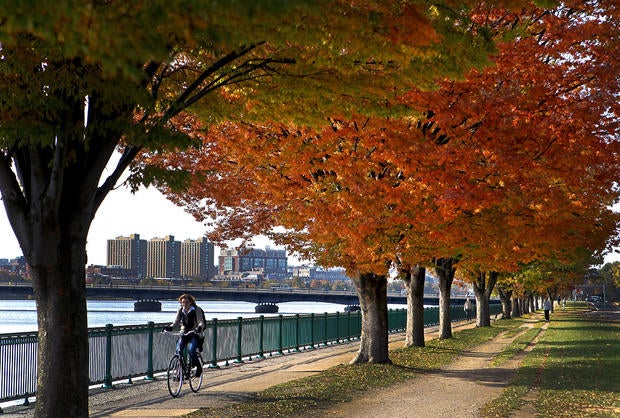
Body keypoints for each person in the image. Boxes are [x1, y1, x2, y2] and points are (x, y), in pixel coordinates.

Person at [163, 293, 206, 377]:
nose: (184, 304)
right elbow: (176, 323)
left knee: (191, 350)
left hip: (195, 333)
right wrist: (169, 328)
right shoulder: (180, 311)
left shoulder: (196, 309)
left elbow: (201, 321)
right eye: (183, 302)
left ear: (190, 302)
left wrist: (199, 327)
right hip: (184, 333)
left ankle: (199, 367)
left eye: (186, 302)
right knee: (178, 350)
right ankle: (180, 371)